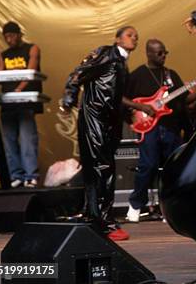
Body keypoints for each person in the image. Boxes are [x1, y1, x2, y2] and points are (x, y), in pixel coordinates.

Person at [60, 26, 139, 241]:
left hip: (109, 122)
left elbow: (115, 95)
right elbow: (78, 73)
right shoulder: (106, 54)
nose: (134, 38)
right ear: (117, 39)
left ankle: (95, 216)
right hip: (95, 118)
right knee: (101, 168)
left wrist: (127, 116)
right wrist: (69, 98)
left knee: (102, 168)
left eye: (136, 35)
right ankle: (103, 221)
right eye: (129, 34)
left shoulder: (122, 63)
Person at [123, 39, 196, 222]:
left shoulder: (170, 75)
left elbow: (184, 100)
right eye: (160, 53)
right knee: (148, 165)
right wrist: (137, 111)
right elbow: (122, 99)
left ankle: (169, 207)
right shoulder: (137, 75)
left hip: (170, 127)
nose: (163, 56)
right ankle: (135, 205)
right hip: (148, 126)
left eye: (165, 52)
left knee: (172, 167)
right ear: (149, 53)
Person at [0, 21, 42, 188]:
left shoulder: (32, 48)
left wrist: (18, 90)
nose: (9, 40)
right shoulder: (4, 54)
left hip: (25, 101)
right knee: (9, 141)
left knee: (27, 140)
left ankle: (31, 176)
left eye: (11, 35)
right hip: (8, 103)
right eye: (6, 37)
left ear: (19, 34)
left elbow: (31, 71)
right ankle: (16, 175)